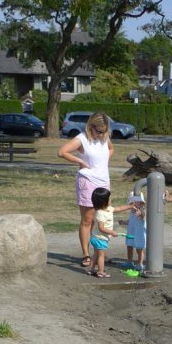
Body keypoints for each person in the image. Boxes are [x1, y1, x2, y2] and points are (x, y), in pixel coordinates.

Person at [58, 112, 113, 268]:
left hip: (103, 183)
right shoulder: (82, 139)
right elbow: (62, 152)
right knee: (87, 220)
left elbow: (110, 149)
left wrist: (103, 163)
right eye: (98, 131)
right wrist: (80, 161)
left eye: (104, 131)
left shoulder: (105, 138)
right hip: (88, 182)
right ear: (91, 127)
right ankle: (86, 254)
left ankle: (99, 252)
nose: (101, 134)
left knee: (101, 218)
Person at [88, 187, 136, 278]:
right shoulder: (100, 214)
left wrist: (129, 206)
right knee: (101, 256)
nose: (111, 199)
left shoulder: (109, 209)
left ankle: (92, 269)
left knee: (96, 254)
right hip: (100, 238)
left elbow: (119, 208)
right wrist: (112, 232)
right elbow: (101, 228)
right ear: (104, 201)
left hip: (96, 237)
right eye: (109, 198)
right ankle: (101, 271)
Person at [120, 189, 147, 272]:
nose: (135, 204)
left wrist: (140, 214)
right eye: (132, 203)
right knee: (129, 246)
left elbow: (143, 215)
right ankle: (130, 261)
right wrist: (124, 222)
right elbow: (131, 221)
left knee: (139, 249)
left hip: (139, 234)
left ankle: (140, 264)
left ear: (142, 203)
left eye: (137, 202)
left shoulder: (141, 211)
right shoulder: (131, 212)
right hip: (131, 232)